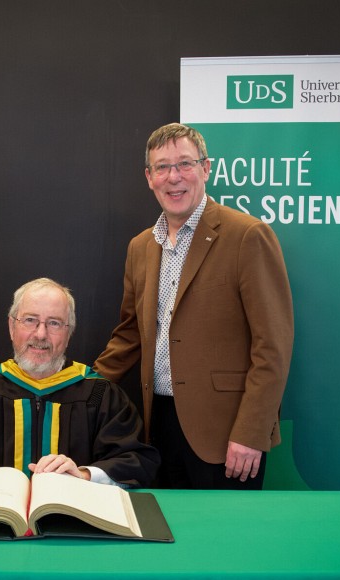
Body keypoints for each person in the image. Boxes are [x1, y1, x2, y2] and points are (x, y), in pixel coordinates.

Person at [94, 123, 293, 490]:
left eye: (185, 163)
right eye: (162, 167)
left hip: (227, 435)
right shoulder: (141, 247)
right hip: (158, 427)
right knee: (165, 525)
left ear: (206, 168)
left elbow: (273, 347)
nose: (174, 177)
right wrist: (83, 387)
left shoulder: (247, 236)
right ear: (149, 177)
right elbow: (130, 334)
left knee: (226, 528)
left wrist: (251, 431)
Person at [0, 278, 159, 488]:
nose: (40, 334)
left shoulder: (102, 396)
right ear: (11, 327)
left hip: (73, 527)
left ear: (68, 334)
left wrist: (84, 474)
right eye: (30, 320)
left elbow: (138, 462)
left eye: (54, 323)